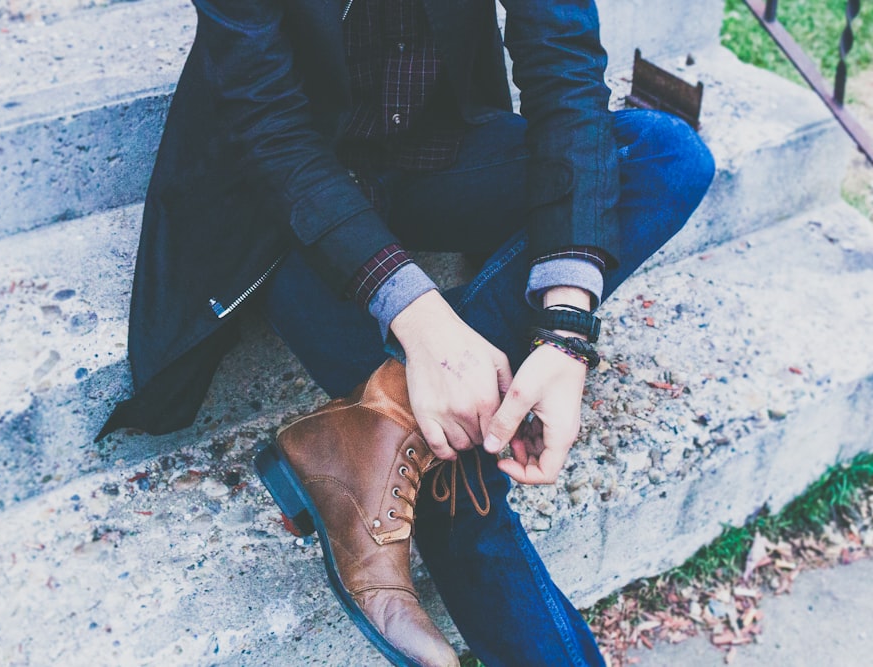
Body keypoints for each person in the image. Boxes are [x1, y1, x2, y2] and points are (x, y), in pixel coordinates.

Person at [99, 0, 715, 664]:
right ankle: (397, 432)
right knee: (458, 463)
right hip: (278, 205)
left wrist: (566, 329)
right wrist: (422, 323)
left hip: (428, 151)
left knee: (667, 155)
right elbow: (266, 120)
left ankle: (378, 421)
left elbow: (563, 63)